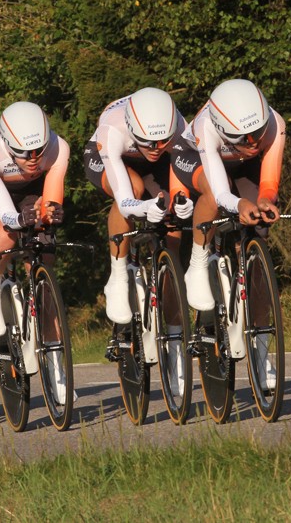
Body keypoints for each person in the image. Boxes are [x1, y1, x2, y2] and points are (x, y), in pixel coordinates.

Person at [83, 86, 195, 396]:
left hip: (156, 163)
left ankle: (173, 331)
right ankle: (119, 272)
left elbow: (180, 179)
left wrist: (180, 203)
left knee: (172, 225)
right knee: (131, 190)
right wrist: (144, 207)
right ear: (134, 129)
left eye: (163, 140)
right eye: (149, 140)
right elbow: (124, 199)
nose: (156, 146)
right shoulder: (112, 130)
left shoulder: (180, 129)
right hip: (111, 158)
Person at [183, 78, 286, 389]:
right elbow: (221, 192)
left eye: (258, 133)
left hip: (243, 166)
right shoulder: (206, 129)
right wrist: (239, 203)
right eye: (245, 136)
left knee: (258, 227)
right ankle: (199, 261)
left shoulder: (275, 124)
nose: (254, 141)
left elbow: (269, 180)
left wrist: (265, 199)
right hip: (194, 158)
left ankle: (260, 350)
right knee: (216, 199)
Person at [0, 101, 69, 338]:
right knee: (4, 237)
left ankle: (49, 336)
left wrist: (49, 213)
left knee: (45, 245)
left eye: (39, 150)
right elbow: (6, 215)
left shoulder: (58, 146)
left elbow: (51, 199)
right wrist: (21, 219)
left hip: (30, 187)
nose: (33, 158)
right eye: (23, 152)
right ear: (7, 144)